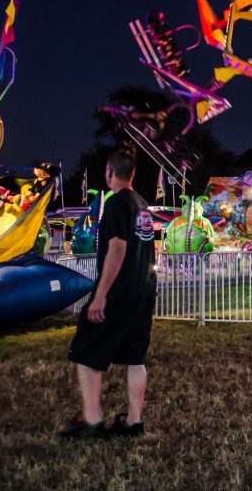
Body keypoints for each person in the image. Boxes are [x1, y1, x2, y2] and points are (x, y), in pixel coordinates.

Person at [60, 150, 157, 439]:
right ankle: (133, 422)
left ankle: (91, 419)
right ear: (133, 173)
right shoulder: (142, 205)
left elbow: (117, 248)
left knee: (85, 349)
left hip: (119, 293)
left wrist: (100, 295)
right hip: (143, 292)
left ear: (108, 172)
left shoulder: (116, 203)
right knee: (135, 356)